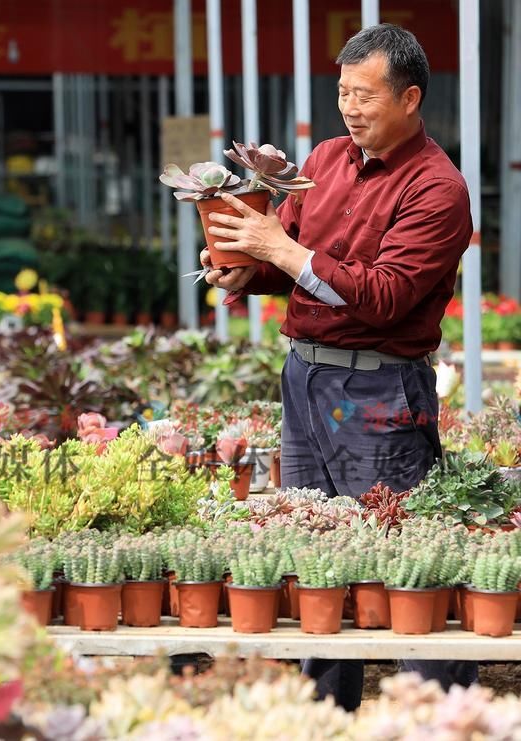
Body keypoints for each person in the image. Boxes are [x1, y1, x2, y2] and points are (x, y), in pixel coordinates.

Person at [201, 23, 476, 711]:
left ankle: (450, 716)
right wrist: (246, 274)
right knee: (312, 552)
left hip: (378, 386)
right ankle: (324, 715)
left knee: (402, 554)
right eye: (343, 92)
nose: (350, 108)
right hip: (307, 377)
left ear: (410, 98)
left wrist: (280, 251)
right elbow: (295, 267)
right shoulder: (324, 158)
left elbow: (384, 298)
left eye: (366, 95)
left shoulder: (438, 189)